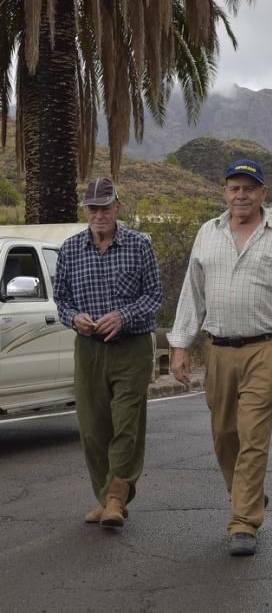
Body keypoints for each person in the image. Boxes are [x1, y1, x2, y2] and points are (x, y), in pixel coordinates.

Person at [168, 158, 272, 557]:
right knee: (224, 435)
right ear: (225, 193)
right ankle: (248, 495)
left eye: (249, 188)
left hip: (266, 348)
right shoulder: (207, 233)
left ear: (263, 193)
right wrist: (180, 346)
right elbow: (192, 293)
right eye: (234, 187)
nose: (241, 195)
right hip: (217, 350)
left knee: (252, 433)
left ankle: (244, 521)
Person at [54, 177, 162, 528]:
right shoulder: (70, 250)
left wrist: (124, 315)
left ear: (117, 207)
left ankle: (116, 497)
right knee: (92, 428)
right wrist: (75, 318)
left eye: (106, 206)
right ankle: (105, 497)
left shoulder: (138, 245)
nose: (99, 214)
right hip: (88, 349)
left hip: (131, 347)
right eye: (93, 208)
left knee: (126, 424)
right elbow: (62, 300)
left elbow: (154, 296)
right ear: (85, 210)